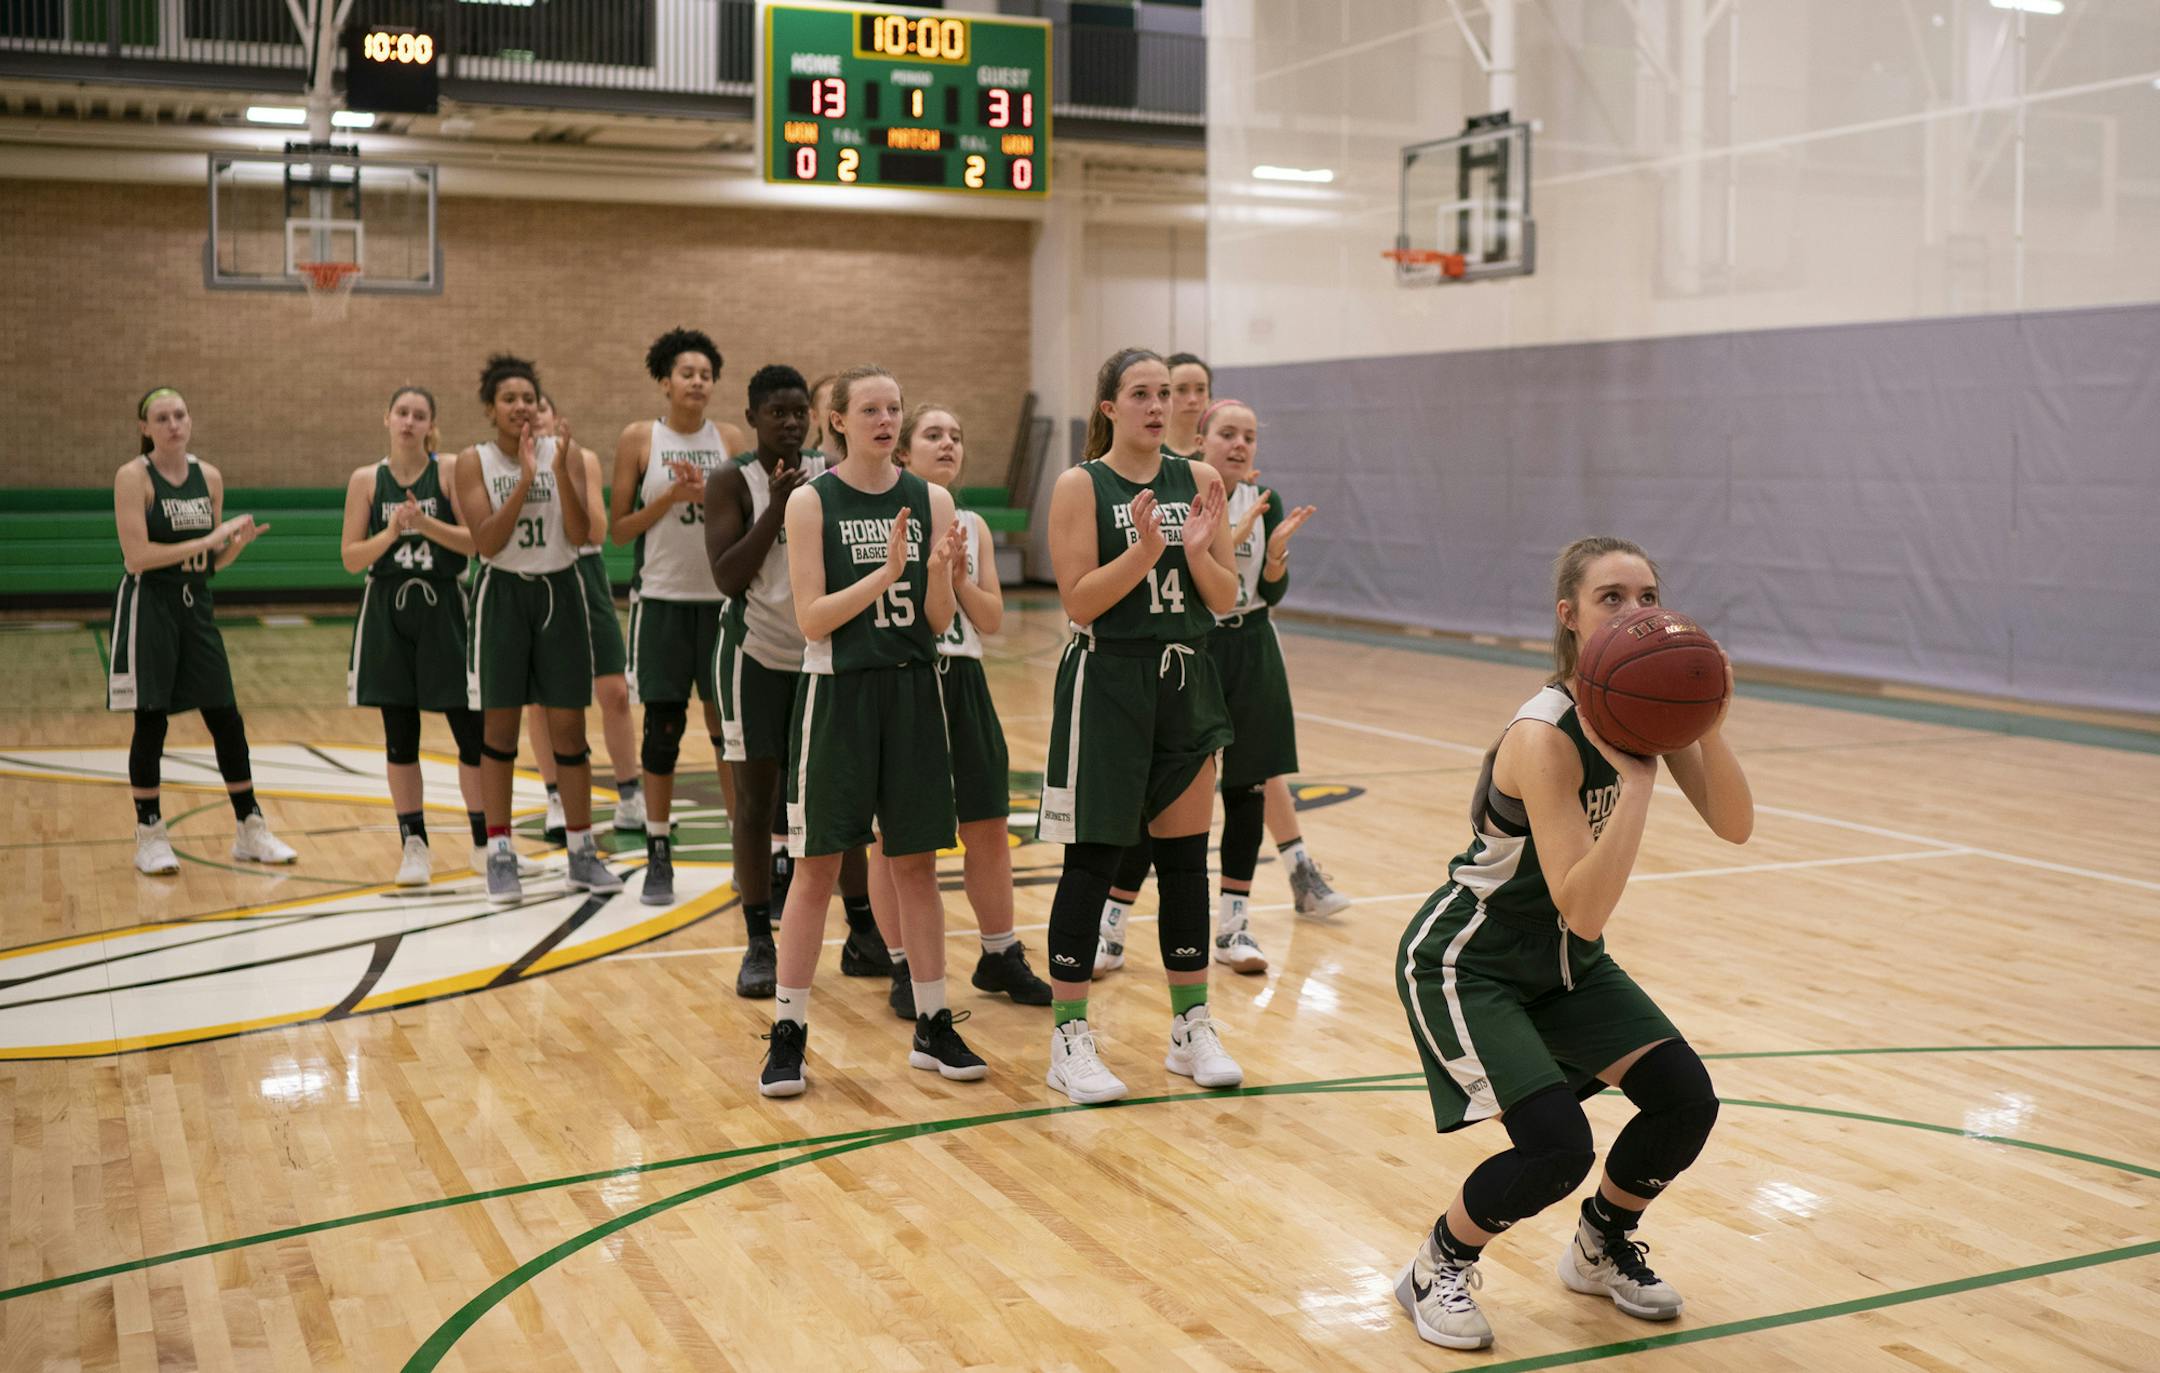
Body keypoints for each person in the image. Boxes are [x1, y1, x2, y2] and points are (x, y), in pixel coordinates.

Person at [1391, 536, 1751, 1352]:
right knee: (1556, 1147)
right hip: (1471, 961)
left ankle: (1601, 1242)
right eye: (1613, 598)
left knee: (1685, 1098)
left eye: (1649, 595)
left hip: (1563, 962)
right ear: (1570, 618)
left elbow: (1735, 825)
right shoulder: (1543, 734)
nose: (1638, 611)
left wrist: (1711, 722)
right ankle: (1434, 1266)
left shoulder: (1648, 706)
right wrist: (1638, 788)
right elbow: (1582, 907)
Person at [756, 364, 983, 1097]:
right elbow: (811, 618)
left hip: (915, 693)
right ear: (840, 422)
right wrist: (886, 572)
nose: (887, 420)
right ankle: (788, 1031)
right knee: (817, 865)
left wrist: (939, 572)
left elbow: (941, 621)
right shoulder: (810, 501)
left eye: (895, 408)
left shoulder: (933, 499)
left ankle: (933, 1019)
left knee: (916, 865)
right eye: (871, 410)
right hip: (838, 695)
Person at [1036, 347, 1242, 1106]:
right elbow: (1081, 601)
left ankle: (1192, 1026)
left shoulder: (1202, 481)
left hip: (1186, 676)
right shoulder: (1079, 484)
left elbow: (1221, 597)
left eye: (1166, 393)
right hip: (1109, 681)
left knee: (1187, 859)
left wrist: (1192, 553)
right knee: (1092, 859)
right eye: (1140, 393)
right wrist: (1147, 550)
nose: (1158, 405)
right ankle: (1068, 1037)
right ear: (1109, 407)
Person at [706, 365, 889, 999]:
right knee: (756, 805)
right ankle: (759, 939)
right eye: (774, 412)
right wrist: (774, 510)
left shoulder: (830, 477)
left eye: (796, 413)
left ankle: (863, 932)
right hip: (753, 656)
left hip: (820, 655)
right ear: (752, 417)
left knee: (839, 802)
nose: (788, 422)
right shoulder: (732, 479)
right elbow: (726, 577)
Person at [865, 404, 1052, 1018]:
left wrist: (959, 577)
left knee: (989, 826)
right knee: (893, 840)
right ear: (903, 453)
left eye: (956, 435)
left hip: (963, 680)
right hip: (902, 685)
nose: (948, 444)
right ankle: (901, 962)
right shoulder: (880, 518)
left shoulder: (970, 523)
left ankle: (998, 953)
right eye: (933, 435)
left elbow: (993, 619)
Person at [451, 354, 620, 904]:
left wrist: (559, 470)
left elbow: (581, 533)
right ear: (490, 409)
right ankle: (500, 854)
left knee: (569, 732)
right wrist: (525, 480)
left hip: (559, 592)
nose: (520, 406)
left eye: (528, 397)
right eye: (509, 399)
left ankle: (581, 851)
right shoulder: (472, 462)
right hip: (502, 595)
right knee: (498, 733)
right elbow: (486, 543)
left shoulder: (565, 453)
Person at [112, 386, 296, 874]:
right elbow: (137, 557)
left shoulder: (207, 476)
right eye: (162, 417)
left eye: (180, 415)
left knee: (225, 716)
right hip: (150, 605)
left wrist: (234, 544)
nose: (174, 424)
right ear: (144, 428)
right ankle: (149, 833)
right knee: (151, 719)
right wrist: (211, 536)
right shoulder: (134, 477)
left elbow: (211, 561)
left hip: (197, 605)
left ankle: (249, 827)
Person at [338, 386, 496, 885]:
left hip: (446, 609)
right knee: (399, 734)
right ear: (386, 418)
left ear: (432, 424)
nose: (409, 421)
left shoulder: (449, 470)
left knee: (471, 732)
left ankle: (484, 844)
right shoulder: (367, 479)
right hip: (388, 613)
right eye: (401, 412)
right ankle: (414, 845)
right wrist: (390, 533)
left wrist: (423, 522)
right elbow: (350, 558)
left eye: (419, 414)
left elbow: (476, 543)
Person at [608, 328, 737, 904]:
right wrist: (672, 499)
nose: (697, 382)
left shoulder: (729, 438)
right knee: (662, 733)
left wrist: (710, 496)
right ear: (665, 381)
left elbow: (746, 517)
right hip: (660, 602)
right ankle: (659, 851)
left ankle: (745, 848)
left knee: (727, 733)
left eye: (706, 374)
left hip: (721, 605)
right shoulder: (640, 438)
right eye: (687, 373)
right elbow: (617, 528)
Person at [524, 392, 642, 844]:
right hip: (536, 577)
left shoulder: (580, 458)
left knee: (613, 691)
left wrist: (559, 468)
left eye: (540, 407)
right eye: (523, 406)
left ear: (555, 417)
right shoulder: (501, 463)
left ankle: (629, 794)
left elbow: (597, 531)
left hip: (584, 571)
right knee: (540, 701)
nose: (532, 414)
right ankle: (555, 796)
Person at [1160, 352, 1213, 460]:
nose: (1192, 399)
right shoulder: (1148, 451)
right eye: (1181, 390)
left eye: (1200, 389)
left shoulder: (1219, 452)